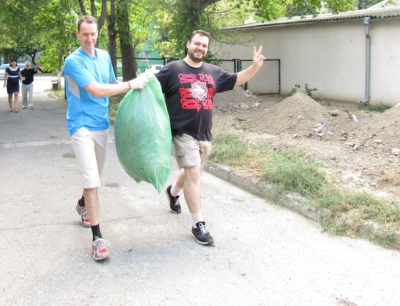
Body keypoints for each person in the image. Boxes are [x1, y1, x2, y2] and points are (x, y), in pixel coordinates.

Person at [156, 30, 265, 246]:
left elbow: (237, 79)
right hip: (181, 132)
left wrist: (255, 67)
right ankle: (198, 224)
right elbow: (151, 89)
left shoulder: (213, 72)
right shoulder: (173, 69)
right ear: (188, 44)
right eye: (197, 44)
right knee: (193, 172)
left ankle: (173, 192)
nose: (200, 48)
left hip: (204, 133)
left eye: (204, 46)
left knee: (192, 171)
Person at [63, 15, 149, 261]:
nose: (89, 39)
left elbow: (111, 84)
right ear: (78, 35)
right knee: (92, 181)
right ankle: (97, 239)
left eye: (93, 34)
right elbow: (97, 90)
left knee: (94, 177)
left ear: (97, 33)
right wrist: (132, 84)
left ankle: (83, 203)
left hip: (101, 125)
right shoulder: (72, 61)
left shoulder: (103, 56)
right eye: (85, 34)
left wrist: (144, 84)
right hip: (81, 125)